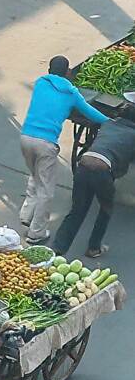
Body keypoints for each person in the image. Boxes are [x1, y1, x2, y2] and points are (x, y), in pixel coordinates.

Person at [18, 56, 110, 245]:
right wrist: (111, 123)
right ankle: (36, 233)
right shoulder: (71, 92)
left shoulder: (40, 83)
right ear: (68, 72)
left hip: (26, 137)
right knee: (46, 189)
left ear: (49, 70)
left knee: (35, 175)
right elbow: (89, 112)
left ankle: (26, 214)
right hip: (46, 143)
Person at [52, 93, 135, 259]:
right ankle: (93, 248)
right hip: (103, 172)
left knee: (77, 209)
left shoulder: (109, 124)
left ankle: (58, 247)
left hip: (84, 165)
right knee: (105, 209)